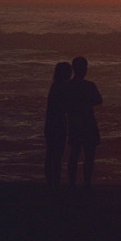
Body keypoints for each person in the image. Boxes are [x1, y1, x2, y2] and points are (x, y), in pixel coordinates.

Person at [66, 56, 102, 190]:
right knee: (89, 155)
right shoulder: (89, 85)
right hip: (88, 122)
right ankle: (87, 183)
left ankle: (71, 183)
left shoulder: (68, 86)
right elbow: (98, 100)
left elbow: (64, 104)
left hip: (74, 123)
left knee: (74, 154)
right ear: (84, 69)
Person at [44, 61, 72, 187]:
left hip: (50, 123)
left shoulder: (54, 86)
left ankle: (51, 181)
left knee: (50, 153)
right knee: (57, 155)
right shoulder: (63, 87)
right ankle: (55, 181)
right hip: (59, 123)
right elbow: (65, 106)